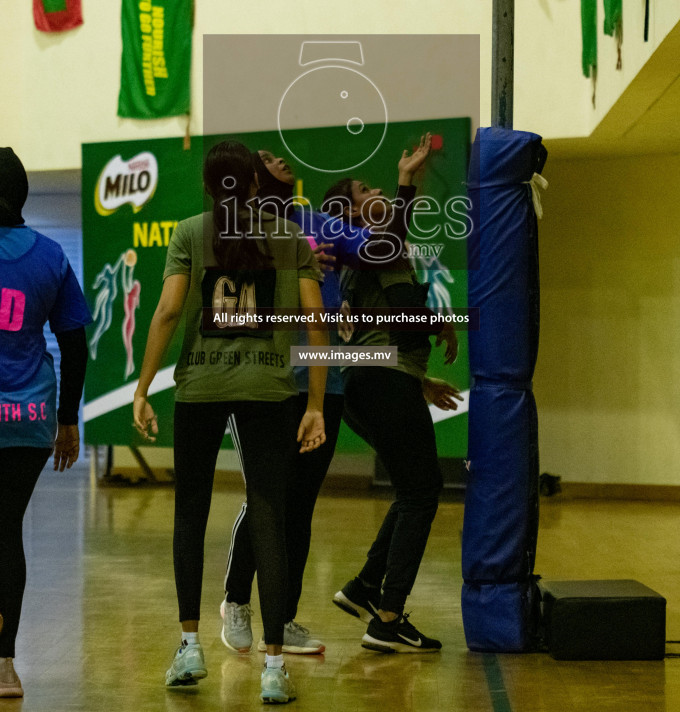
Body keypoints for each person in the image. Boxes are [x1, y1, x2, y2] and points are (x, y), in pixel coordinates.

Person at [132, 140, 327, 705]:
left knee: (189, 514)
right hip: (270, 390)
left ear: (207, 185)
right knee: (270, 515)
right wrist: (314, 403)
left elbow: (168, 311)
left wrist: (143, 388)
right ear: (257, 185)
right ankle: (272, 666)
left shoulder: (191, 232)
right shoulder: (291, 237)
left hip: (199, 387)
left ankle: (189, 647)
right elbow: (317, 320)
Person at [220, 139, 432, 657]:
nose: (281, 159)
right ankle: (235, 601)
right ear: (250, 176)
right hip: (267, 381)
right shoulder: (237, 232)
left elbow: (384, 248)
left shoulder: (317, 222)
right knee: (267, 496)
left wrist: (405, 186)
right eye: (269, 158)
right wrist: (292, 268)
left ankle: (284, 614)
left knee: (301, 504)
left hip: (325, 382)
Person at [322, 175, 462, 654]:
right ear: (352, 213)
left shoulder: (360, 255)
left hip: (367, 382)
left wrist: (419, 382)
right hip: (382, 381)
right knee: (423, 492)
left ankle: (364, 586)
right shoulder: (380, 247)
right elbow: (402, 313)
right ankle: (387, 616)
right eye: (365, 190)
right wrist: (441, 324)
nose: (375, 191)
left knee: (411, 490)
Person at [0, 147, 91, 699]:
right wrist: (67, 421)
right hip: (29, 418)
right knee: (7, 529)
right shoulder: (52, 256)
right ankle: (5, 666)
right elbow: (75, 346)